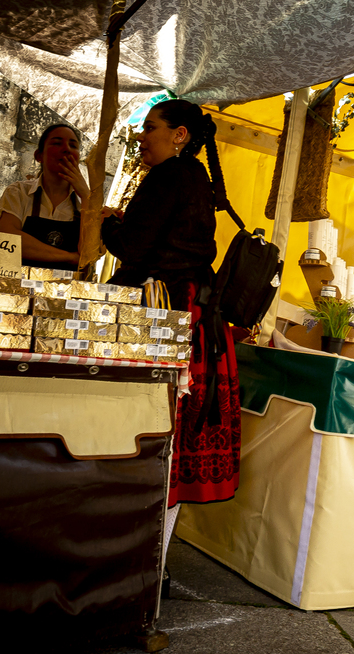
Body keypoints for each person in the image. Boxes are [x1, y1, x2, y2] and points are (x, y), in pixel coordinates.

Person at [101, 99, 240, 513]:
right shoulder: (195, 177)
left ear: (179, 135)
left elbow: (133, 248)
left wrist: (109, 221)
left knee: (152, 426)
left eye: (150, 128)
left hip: (166, 312)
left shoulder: (167, 176)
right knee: (174, 433)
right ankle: (156, 544)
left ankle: (140, 538)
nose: (141, 137)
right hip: (194, 312)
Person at [0, 123, 89, 268]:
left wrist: (87, 197)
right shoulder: (19, 192)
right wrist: (69, 257)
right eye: (57, 143)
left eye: (73, 146)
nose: (66, 149)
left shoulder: (85, 204)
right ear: (39, 156)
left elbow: (89, 254)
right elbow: (8, 238)